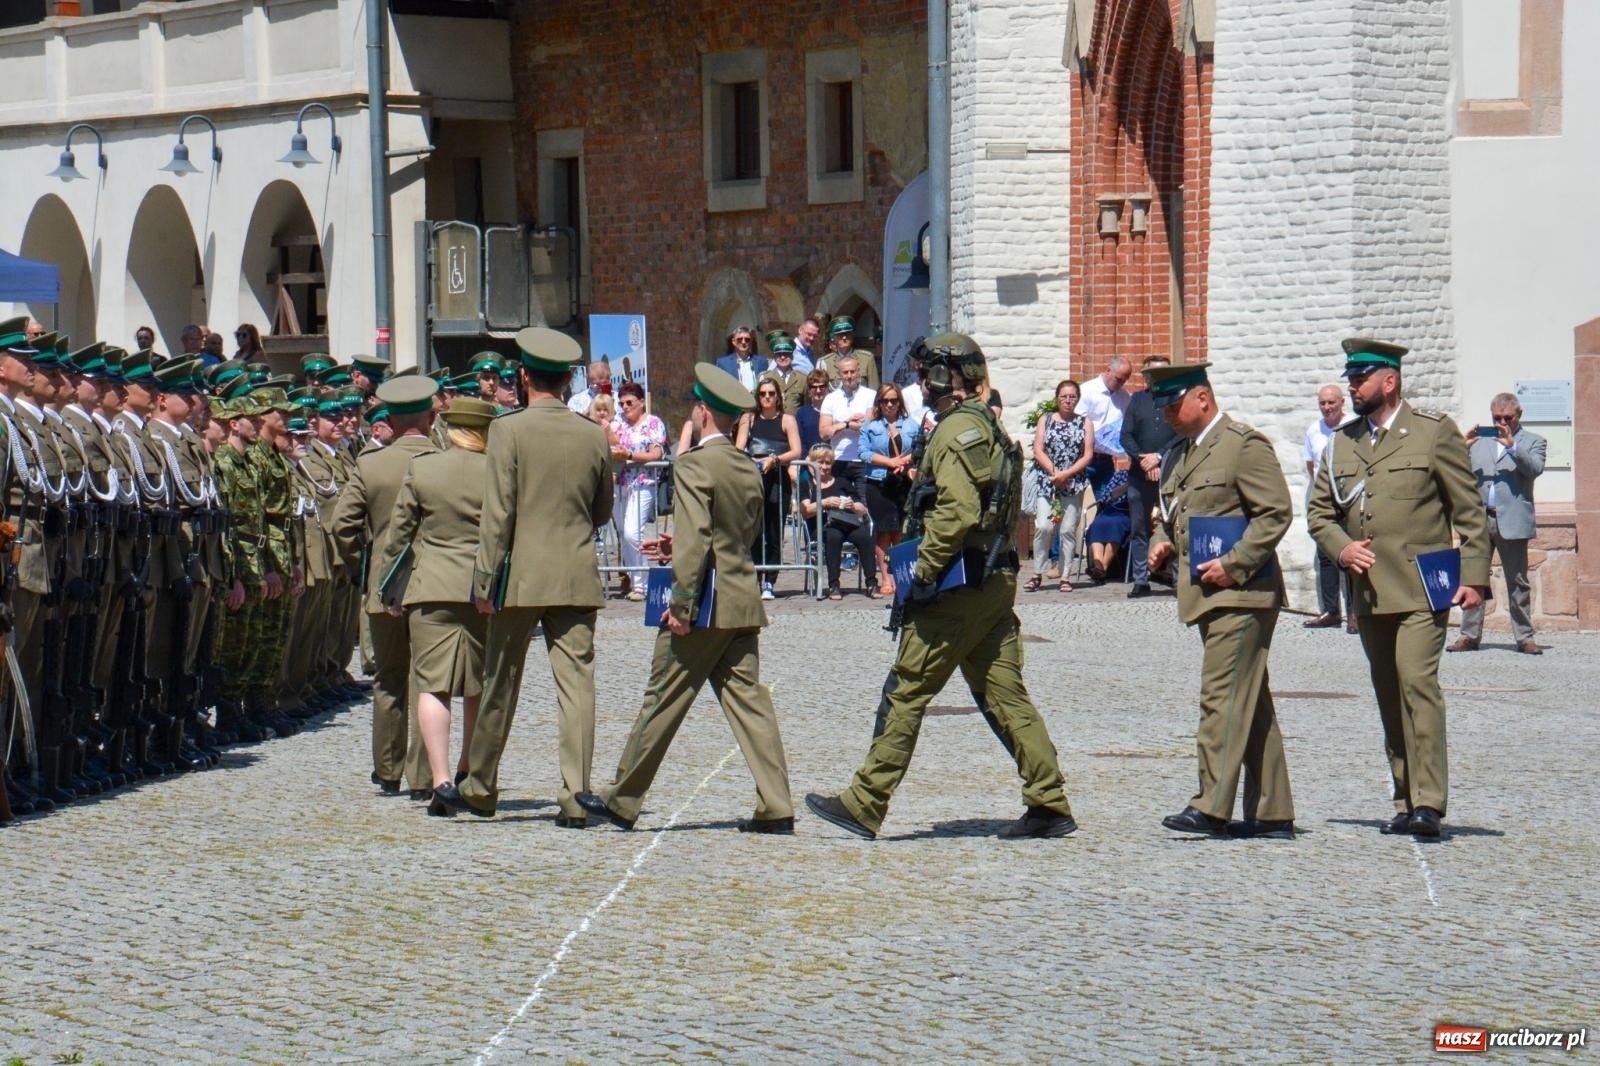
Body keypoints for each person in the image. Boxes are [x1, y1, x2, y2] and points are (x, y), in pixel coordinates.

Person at [806, 333, 1077, 841]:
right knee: (1006, 695)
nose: (917, 384)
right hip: (991, 581)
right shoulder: (987, 428)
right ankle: (1048, 800)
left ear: (943, 377)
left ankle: (866, 801)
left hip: (957, 585)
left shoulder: (955, 433)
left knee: (906, 689)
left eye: (924, 373)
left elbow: (956, 513)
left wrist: (923, 571)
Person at [576, 363, 794, 833]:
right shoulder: (746, 467)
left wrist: (681, 604)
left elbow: (697, 534)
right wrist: (683, 548)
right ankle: (777, 804)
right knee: (751, 704)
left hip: (703, 605)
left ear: (702, 412)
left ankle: (622, 797)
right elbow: (736, 534)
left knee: (662, 699)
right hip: (739, 597)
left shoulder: (695, 464)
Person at [1307, 338, 1491, 839]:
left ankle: (1429, 803)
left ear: (1389, 381)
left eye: (1360, 378)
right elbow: (1319, 513)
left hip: (1421, 588)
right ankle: (1406, 796)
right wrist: (1342, 548)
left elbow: (1469, 511)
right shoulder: (1342, 442)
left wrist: (1474, 578)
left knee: (1417, 685)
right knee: (1389, 694)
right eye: (1349, 377)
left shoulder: (1432, 434)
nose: (1352, 386)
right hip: (1367, 592)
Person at [436, 328, 613, 824]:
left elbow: (498, 514)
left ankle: (481, 785)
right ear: (568, 380)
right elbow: (602, 512)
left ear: (523, 375)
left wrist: (484, 580)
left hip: (519, 576)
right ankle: (578, 792)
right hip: (576, 573)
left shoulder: (508, 431)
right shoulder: (593, 434)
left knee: (500, 680)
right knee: (577, 684)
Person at [1144, 362, 1296, 838]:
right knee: (1250, 701)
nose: (1166, 414)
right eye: (1162, 407)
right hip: (1206, 593)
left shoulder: (1242, 446)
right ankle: (1272, 811)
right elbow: (1169, 515)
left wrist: (1235, 563)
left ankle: (1211, 805)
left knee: (1221, 697)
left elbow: (1274, 514)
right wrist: (1160, 541)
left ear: (1202, 398)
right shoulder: (1181, 454)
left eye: (1173, 404)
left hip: (1243, 593)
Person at [373, 398, 497, 815]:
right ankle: (469, 770)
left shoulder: (424, 468)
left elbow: (399, 534)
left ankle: (440, 779)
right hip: (484, 589)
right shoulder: (497, 471)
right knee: (478, 685)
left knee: (432, 684)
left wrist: (389, 588)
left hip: (430, 586)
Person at [332, 376, 440, 798]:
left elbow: (343, 526)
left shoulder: (369, 464)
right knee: (427, 678)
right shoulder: (443, 459)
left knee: (388, 678)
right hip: (432, 584)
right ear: (430, 418)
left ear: (391, 421)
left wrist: (368, 565)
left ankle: (388, 768)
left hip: (383, 584)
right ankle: (424, 775)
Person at [1450, 393, 1547, 655]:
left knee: (1517, 581)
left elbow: (1535, 468)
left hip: (1513, 520)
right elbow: (1454, 471)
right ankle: (1469, 635)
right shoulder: (1480, 441)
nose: (1502, 422)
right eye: (1497, 418)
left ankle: (1524, 637)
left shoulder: (1533, 441)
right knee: (1473, 578)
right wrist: (1463, 444)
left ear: (1519, 415)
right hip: (1479, 520)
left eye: (1508, 418)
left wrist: (1512, 445)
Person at [735, 376, 801, 600]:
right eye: (763, 394)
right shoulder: (749, 418)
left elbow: (796, 450)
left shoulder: (787, 420)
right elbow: (739, 447)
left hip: (778, 480)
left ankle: (770, 581)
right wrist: (751, 460)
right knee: (754, 532)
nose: (767, 398)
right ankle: (754, 577)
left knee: (774, 533)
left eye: (771, 394)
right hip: (753, 479)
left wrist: (775, 459)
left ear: (778, 396)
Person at [1120, 356, 1179, 598]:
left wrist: (1159, 456)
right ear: (1146, 376)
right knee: (1139, 528)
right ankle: (1141, 579)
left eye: (1163, 373)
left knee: (1175, 526)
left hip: (1170, 475)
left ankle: (1177, 579)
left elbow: (1182, 434)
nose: (1158, 378)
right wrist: (1144, 460)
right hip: (1139, 474)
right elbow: (1126, 436)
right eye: (1153, 374)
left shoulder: (1177, 398)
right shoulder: (1137, 400)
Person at [1027, 380, 1094, 593]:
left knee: (1067, 529)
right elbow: (1038, 450)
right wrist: (1055, 474)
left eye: (1072, 396)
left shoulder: (1085, 422)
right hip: (1047, 481)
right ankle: (1037, 572)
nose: (1068, 400)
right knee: (1043, 527)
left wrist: (1066, 474)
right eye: (1064, 396)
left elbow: (1088, 454)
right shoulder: (1045, 420)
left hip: (1073, 482)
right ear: (1057, 398)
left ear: (1077, 399)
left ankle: (1065, 575)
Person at [1302, 383, 1354, 629]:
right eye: (1322, 403)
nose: (1326, 407)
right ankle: (1331, 611)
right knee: (1326, 557)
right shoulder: (1314, 429)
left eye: (1331, 402)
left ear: (1342, 402)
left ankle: (1355, 614)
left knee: (1353, 555)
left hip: (1350, 499)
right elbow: (1311, 465)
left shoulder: (1354, 425)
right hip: (1325, 500)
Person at [858, 383, 919, 596]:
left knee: (901, 531)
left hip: (904, 482)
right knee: (884, 531)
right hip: (879, 483)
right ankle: (886, 577)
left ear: (899, 402)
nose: (890, 405)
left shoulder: (911, 425)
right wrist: (889, 462)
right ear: (879, 403)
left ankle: (902, 576)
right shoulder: (870, 427)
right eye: (885, 401)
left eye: (893, 400)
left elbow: (921, 448)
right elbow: (864, 453)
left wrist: (905, 461)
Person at [610, 381, 667, 602]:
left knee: (634, 533)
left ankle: (643, 583)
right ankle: (635, 581)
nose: (625, 407)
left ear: (641, 402)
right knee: (624, 535)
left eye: (629, 403)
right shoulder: (618, 423)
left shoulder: (653, 423)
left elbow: (655, 454)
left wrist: (630, 456)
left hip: (643, 482)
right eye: (622, 403)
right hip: (619, 483)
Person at [798, 445, 878, 600]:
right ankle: (834, 584)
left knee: (864, 536)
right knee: (833, 536)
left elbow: (862, 509)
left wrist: (852, 505)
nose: (824, 467)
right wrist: (826, 502)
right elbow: (806, 510)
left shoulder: (842, 482)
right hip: (821, 527)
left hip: (847, 522)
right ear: (813, 463)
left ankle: (872, 583)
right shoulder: (807, 484)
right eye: (820, 462)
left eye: (828, 463)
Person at [818, 354, 875, 484]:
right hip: (838, 459)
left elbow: (870, 429)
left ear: (858, 372)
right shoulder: (830, 399)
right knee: (840, 503)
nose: (849, 376)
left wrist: (837, 426)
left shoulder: (870, 395)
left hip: (863, 459)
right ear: (839, 374)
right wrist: (846, 424)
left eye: (852, 371)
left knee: (863, 502)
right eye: (845, 372)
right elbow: (824, 433)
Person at [1076, 356, 1132, 483]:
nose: (1121, 384)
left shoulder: (1124, 396)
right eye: (1118, 379)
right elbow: (1077, 423)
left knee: (1107, 501)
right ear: (1108, 371)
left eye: (1124, 381)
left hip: (1105, 459)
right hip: (1082, 457)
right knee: (1076, 501)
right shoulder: (1086, 390)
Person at [1084, 465, 1130, 583]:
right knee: (1097, 524)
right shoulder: (1120, 474)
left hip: (1127, 512)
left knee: (1115, 526)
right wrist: (1124, 487)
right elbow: (1105, 497)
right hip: (1110, 510)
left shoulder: (1140, 477)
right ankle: (1098, 566)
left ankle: (1102, 568)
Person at [816, 316, 880, 390]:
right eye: (840, 335)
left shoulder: (867, 359)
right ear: (833, 338)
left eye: (847, 333)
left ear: (853, 335)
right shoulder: (825, 362)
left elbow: (874, 390)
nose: (844, 337)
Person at [758, 334, 808, 413]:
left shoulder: (803, 378)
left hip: (795, 423)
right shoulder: (765, 377)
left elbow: (806, 405)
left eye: (786, 354)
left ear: (792, 356)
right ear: (774, 357)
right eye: (779, 354)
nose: (782, 357)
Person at [715, 326, 768, 391]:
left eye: (747, 339)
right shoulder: (723, 363)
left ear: (751, 341)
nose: (743, 342)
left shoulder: (762, 362)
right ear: (733, 342)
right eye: (739, 339)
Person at [794, 368, 832, 457]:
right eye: (814, 387)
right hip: (808, 462)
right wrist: (808, 459)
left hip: (832, 462)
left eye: (821, 387)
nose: (818, 391)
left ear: (827, 388)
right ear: (809, 389)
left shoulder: (835, 411)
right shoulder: (802, 413)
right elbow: (799, 440)